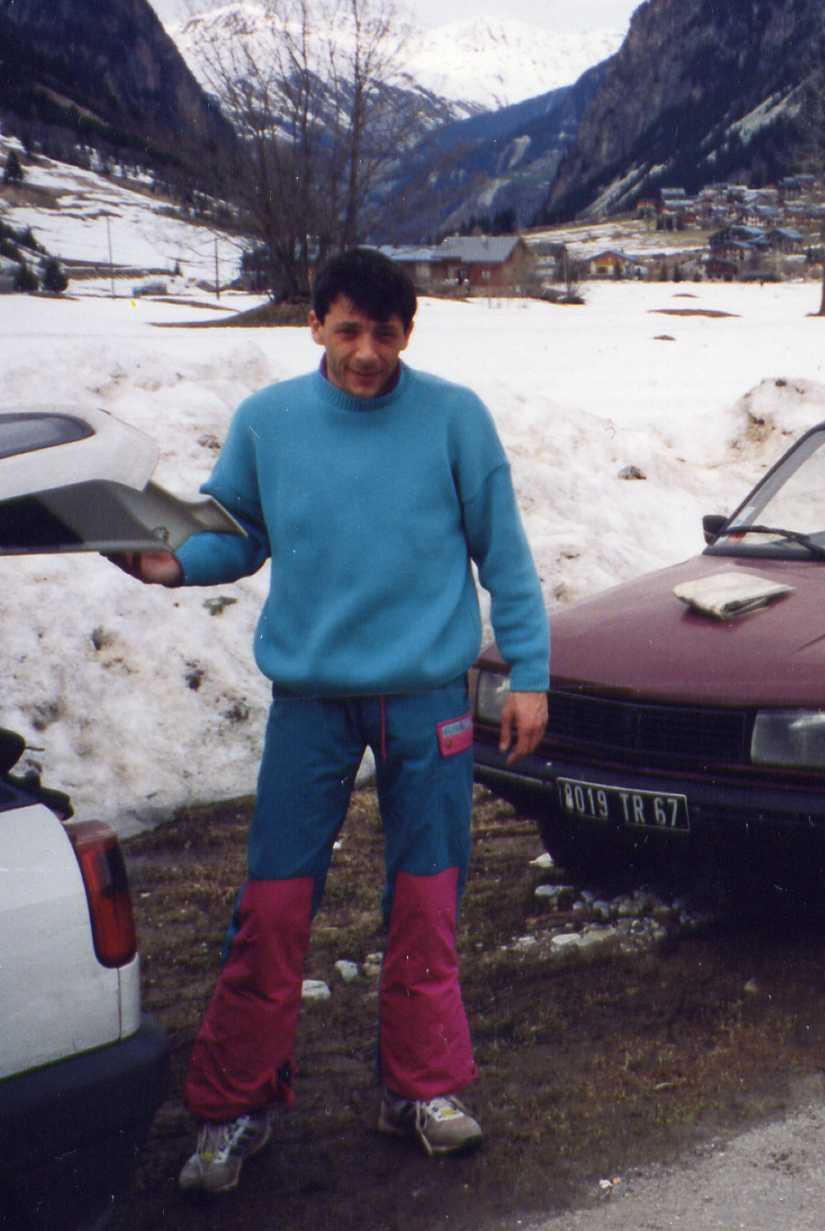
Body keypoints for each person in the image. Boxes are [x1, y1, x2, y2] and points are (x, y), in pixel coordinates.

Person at [111, 247, 550, 1194]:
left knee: (427, 896)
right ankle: (237, 1104)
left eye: (385, 334)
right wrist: (171, 562)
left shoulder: (455, 419)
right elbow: (236, 531)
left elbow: (505, 555)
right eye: (348, 330)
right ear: (314, 324)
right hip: (310, 700)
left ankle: (420, 1089)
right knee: (273, 904)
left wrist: (529, 672)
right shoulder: (268, 422)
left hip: (427, 695)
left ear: (407, 333)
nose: (365, 353)